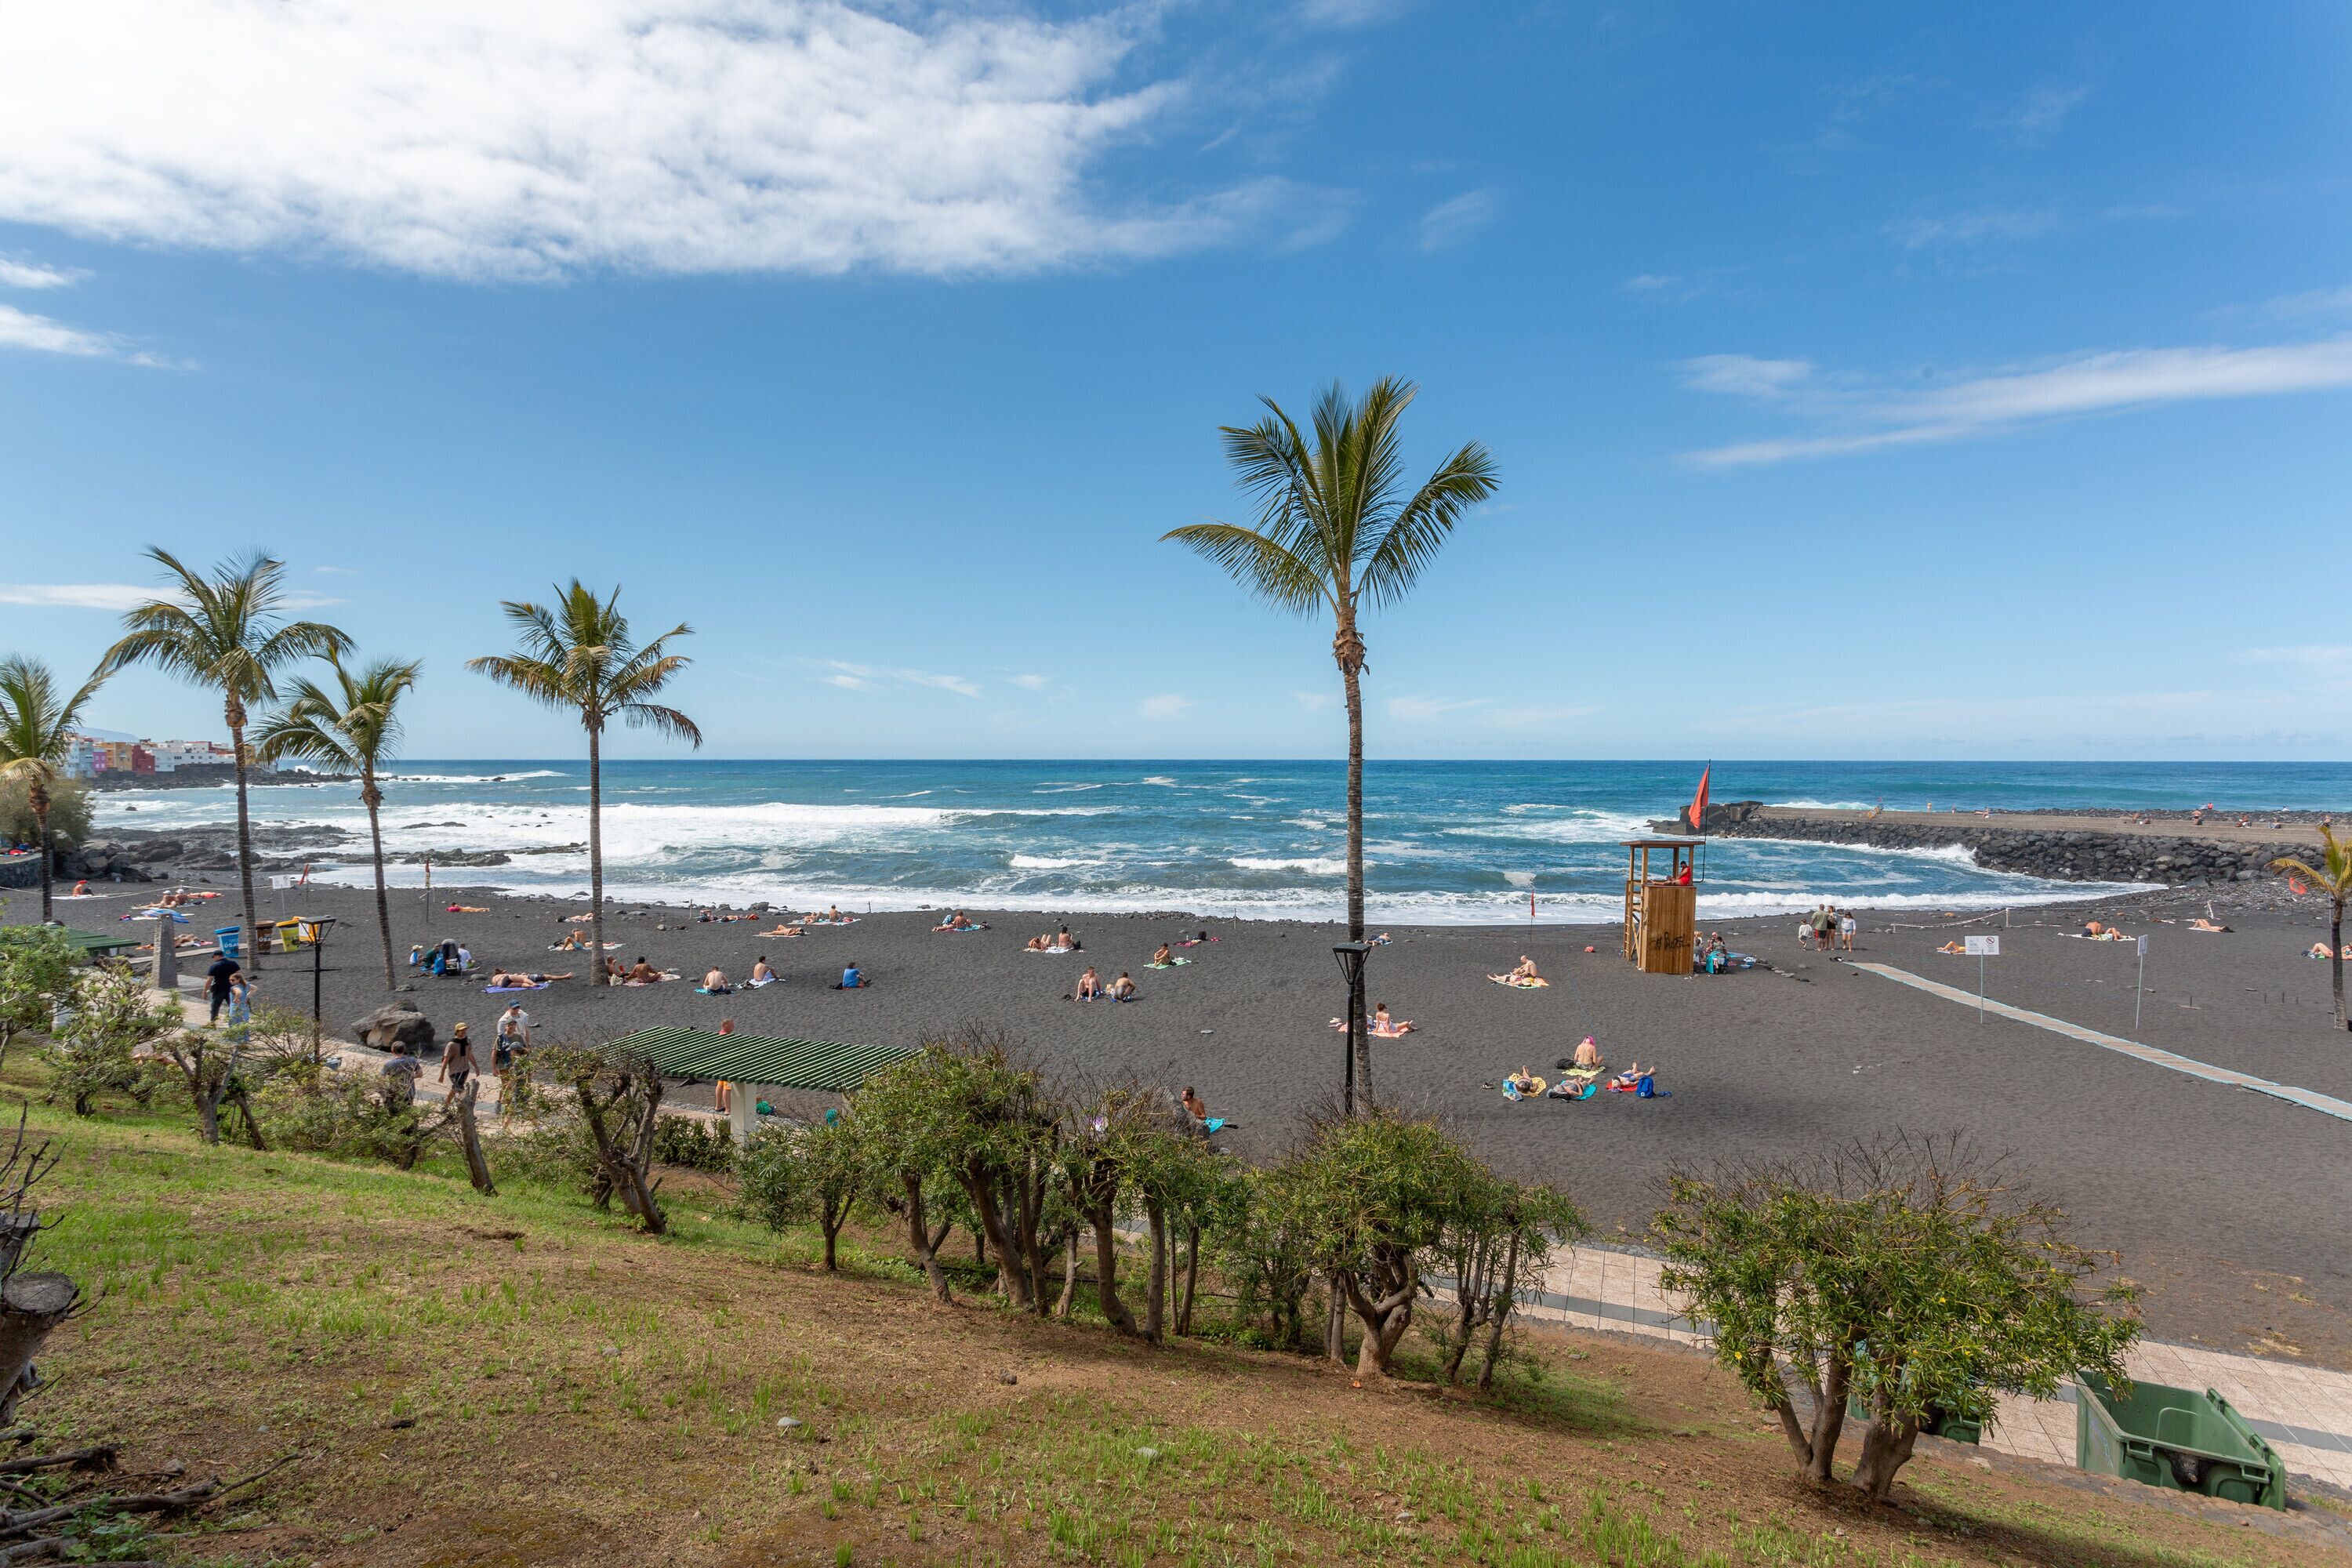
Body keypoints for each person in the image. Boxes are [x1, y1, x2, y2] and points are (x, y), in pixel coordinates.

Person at [205, 949, 242, 1025]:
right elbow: (238, 976)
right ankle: (233, 1021)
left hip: (219, 989)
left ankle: (213, 1023)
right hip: (232, 988)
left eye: (214, 957)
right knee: (233, 1005)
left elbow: (209, 980)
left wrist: (204, 991)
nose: (213, 959)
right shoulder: (233, 963)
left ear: (218, 956)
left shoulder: (214, 966)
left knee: (215, 1006)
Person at [439, 1022, 477, 1094]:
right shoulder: (451, 1044)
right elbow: (445, 1060)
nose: (464, 1031)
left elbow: (470, 1055)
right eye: (461, 1030)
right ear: (457, 1031)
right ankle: (461, 1105)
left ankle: (446, 1105)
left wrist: (476, 1067)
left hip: (465, 1069)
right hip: (455, 1071)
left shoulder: (467, 1041)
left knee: (456, 1088)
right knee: (460, 1090)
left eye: (465, 1029)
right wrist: (442, 1075)